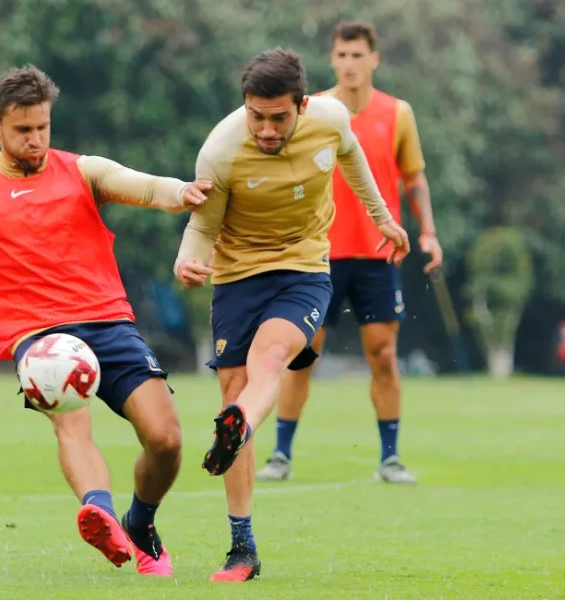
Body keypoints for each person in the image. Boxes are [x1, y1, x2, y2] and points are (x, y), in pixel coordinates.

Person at [0, 64, 213, 577]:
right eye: (23, 130)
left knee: (167, 440)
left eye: (42, 127)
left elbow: (146, 187)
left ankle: (140, 521)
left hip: (107, 320)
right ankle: (99, 509)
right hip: (38, 336)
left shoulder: (82, 170)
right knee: (72, 425)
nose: (36, 138)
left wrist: (183, 192)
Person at [174, 47, 409, 582]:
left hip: (303, 269)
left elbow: (353, 159)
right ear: (245, 106)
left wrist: (383, 220)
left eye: (279, 117)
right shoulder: (220, 151)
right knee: (237, 383)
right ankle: (243, 547)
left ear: (302, 105)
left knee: (272, 356)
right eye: (257, 116)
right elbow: (203, 227)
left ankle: (238, 422)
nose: (267, 129)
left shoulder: (330, 120)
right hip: (236, 277)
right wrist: (187, 259)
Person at [258, 21, 443, 485]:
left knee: (383, 354)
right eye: (342, 54)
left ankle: (390, 459)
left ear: (374, 59)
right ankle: (280, 455)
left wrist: (429, 233)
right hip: (317, 253)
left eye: (358, 55)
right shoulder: (313, 110)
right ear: (332, 58)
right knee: (303, 353)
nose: (349, 63)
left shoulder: (397, 113)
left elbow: (414, 177)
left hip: (378, 255)